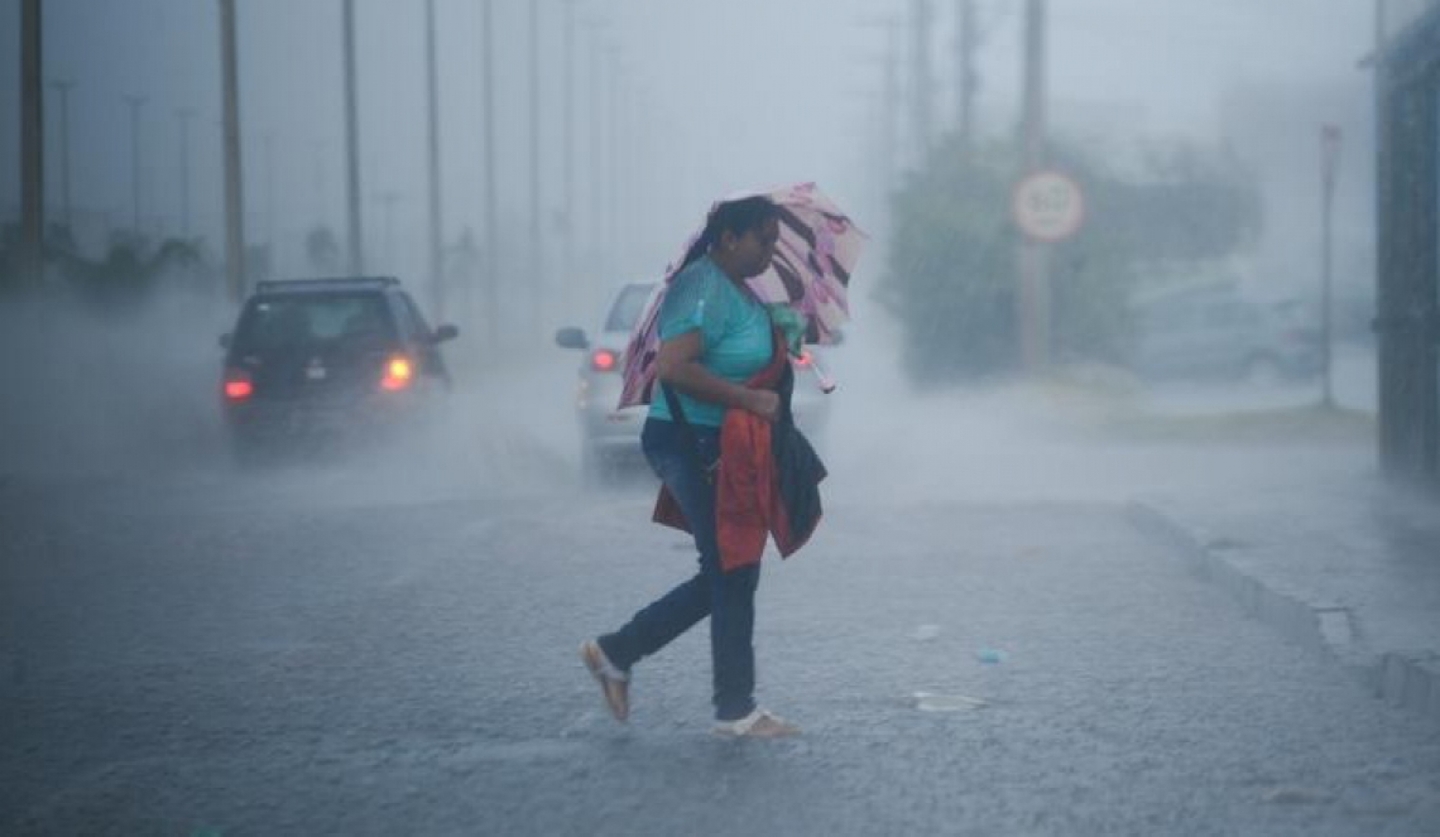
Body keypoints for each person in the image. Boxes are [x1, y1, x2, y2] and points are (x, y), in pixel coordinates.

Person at [581, 196, 802, 738]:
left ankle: (618, 652)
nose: (771, 253)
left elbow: (740, 355)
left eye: (776, 242)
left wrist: (781, 331)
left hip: (723, 443)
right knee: (732, 566)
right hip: (690, 442)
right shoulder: (700, 287)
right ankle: (733, 709)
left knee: (731, 568)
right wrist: (749, 401)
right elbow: (675, 369)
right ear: (728, 237)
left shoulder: (738, 289)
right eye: (763, 240)